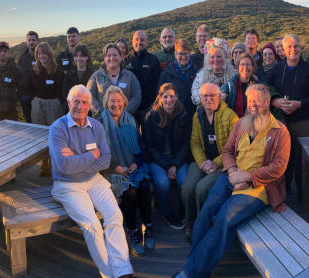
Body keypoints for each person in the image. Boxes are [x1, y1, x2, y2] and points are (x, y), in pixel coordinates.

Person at [175, 84, 289, 278]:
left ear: (267, 102)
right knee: (205, 213)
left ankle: (190, 273)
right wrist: (234, 172)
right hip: (231, 177)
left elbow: (278, 168)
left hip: (258, 188)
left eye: (257, 101)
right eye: (249, 100)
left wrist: (248, 177)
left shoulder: (280, 131)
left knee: (223, 219)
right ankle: (197, 269)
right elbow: (227, 151)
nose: (252, 105)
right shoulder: (241, 124)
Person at [49, 85, 133, 278]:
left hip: (94, 180)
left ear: (89, 105)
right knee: (92, 225)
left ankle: (123, 271)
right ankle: (109, 274)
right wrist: (91, 155)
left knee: (114, 216)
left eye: (84, 102)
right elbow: (63, 167)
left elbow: (104, 161)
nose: (80, 106)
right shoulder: (58, 128)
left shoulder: (96, 126)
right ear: (69, 102)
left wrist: (77, 159)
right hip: (67, 185)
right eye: (76, 101)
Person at [267, 34, 309, 205]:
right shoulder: (276, 69)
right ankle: (283, 197)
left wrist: (299, 104)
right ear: (283, 50)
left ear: (301, 48)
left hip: (303, 122)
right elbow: (266, 90)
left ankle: (306, 199)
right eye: (289, 46)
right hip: (281, 123)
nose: (293, 49)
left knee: (304, 162)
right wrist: (275, 101)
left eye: (296, 46)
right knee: (283, 161)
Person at [97, 86, 152, 256]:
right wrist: (115, 167)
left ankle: (148, 228)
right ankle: (134, 232)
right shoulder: (99, 122)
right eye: (112, 101)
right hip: (111, 170)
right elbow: (96, 152)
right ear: (107, 102)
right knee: (130, 193)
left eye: (119, 101)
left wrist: (136, 163)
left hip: (132, 166)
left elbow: (141, 146)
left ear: (124, 103)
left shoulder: (131, 120)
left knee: (144, 186)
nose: (116, 104)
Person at [181, 83, 236, 241]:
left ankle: (203, 227)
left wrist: (215, 163)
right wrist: (203, 162)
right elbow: (195, 142)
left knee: (202, 188)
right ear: (200, 98)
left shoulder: (230, 116)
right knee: (187, 188)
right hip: (203, 161)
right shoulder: (198, 115)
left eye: (212, 95)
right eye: (205, 96)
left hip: (224, 162)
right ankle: (190, 225)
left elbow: (234, 146)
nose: (208, 99)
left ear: (219, 96)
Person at [142, 83, 191, 231]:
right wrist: (167, 166)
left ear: (176, 96)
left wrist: (175, 164)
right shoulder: (151, 116)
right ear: (160, 98)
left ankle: (184, 211)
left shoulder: (183, 115)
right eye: (165, 96)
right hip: (158, 160)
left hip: (178, 159)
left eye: (171, 96)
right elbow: (149, 146)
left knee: (184, 181)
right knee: (163, 183)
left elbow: (185, 144)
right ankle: (166, 212)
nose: (169, 100)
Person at [88, 44, 142, 117]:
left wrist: (123, 112)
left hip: (125, 120)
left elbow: (136, 96)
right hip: (102, 120)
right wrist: (102, 112)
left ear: (120, 57)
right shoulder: (96, 76)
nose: (112, 58)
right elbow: (89, 96)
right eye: (108, 55)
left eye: (115, 55)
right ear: (104, 58)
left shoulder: (130, 76)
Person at [128, 30, 163, 119]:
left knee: (149, 133)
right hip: (130, 109)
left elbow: (160, 82)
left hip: (149, 108)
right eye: (136, 39)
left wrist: (155, 104)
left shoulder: (153, 60)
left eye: (142, 40)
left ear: (147, 43)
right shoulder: (125, 60)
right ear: (132, 42)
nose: (139, 42)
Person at [160, 39, 200, 114]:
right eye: (180, 54)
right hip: (174, 115)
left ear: (189, 53)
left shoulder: (197, 71)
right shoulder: (167, 73)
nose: (183, 57)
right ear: (175, 54)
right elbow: (160, 96)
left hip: (194, 115)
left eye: (186, 54)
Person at [30, 42, 66, 125]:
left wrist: (58, 101)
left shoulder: (58, 70)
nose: (41, 56)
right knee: (38, 130)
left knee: (54, 130)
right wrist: (33, 100)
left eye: (44, 53)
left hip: (53, 105)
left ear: (49, 54)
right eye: (39, 53)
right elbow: (30, 86)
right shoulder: (34, 70)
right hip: (37, 104)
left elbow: (62, 88)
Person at [192, 39, 235, 106]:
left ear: (224, 58)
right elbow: (195, 98)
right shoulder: (201, 76)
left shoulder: (232, 74)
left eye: (219, 56)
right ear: (208, 59)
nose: (215, 60)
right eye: (212, 57)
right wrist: (214, 97)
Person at [17, 31, 40, 122]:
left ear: (37, 41)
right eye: (29, 40)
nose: (31, 42)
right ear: (26, 42)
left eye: (33, 40)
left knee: (38, 121)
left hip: (38, 96)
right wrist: (20, 94)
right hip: (25, 96)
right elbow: (18, 75)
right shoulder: (22, 57)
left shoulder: (41, 55)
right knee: (28, 121)